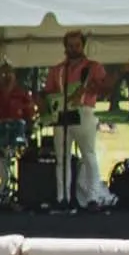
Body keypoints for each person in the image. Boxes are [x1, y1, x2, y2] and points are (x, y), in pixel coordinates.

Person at [42, 30, 117, 208]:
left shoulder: (94, 67)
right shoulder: (58, 69)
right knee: (62, 158)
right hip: (61, 114)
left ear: (83, 46)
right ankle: (62, 198)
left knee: (89, 155)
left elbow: (105, 88)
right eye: (70, 46)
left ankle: (93, 197)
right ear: (65, 47)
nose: (73, 49)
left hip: (84, 112)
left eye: (77, 45)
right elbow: (48, 93)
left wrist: (90, 88)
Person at [0, 62, 37, 152]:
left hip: (17, 135)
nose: (6, 77)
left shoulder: (23, 94)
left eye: (9, 73)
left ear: (14, 76)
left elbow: (30, 118)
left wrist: (28, 136)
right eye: (3, 73)